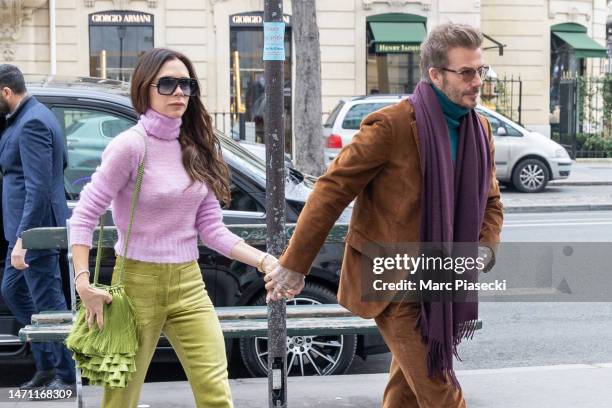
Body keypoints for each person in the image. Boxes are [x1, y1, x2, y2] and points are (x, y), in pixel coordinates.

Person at [265, 23, 503, 407]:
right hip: (392, 280)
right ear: (436, 75)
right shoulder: (391, 126)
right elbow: (331, 191)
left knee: (407, 391)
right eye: (466, 72)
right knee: (441, 392)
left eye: (481, 71)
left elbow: (491, 202)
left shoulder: (479, 129)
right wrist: (295, 264)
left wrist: (484, 249)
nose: (477, 81)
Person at [68, 47, 279, 408]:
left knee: (216, 390)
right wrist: (83, 282)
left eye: (186, 84)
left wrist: (264, 261)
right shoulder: (129, 147)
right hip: (135, 285)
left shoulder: (196, 147)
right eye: (167, 84)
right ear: (144, 89)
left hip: (188, 284)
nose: (179, 92)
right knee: (121, 397)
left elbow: (212, 229)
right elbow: (85, 214)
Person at [0, 64, 76, 392]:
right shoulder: (27, 117)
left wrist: (24, 238)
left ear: (5, 92)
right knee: (14, 290)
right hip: (25, 230)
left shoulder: (32, 122)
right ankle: (48, 362)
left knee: (49, 303)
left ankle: (66, 374)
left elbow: (39, 186)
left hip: (35, 232)